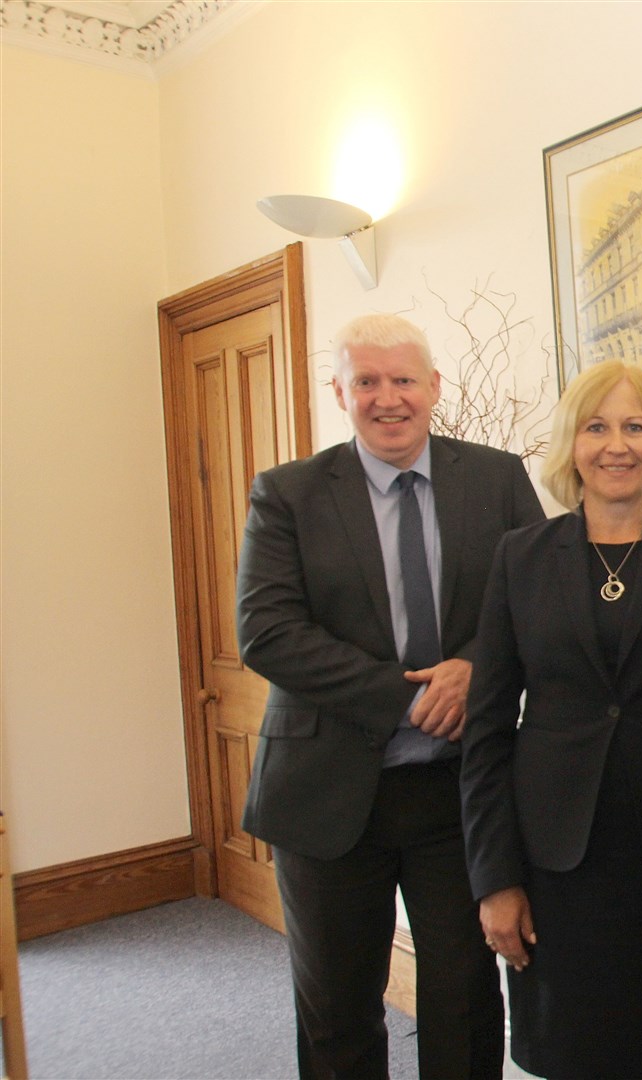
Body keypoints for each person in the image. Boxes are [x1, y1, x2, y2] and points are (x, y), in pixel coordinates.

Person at [237, 312, 543, 1079]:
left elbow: (539, 604)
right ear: (339, 390)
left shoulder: (497, 478)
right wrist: (403, 698)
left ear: (434, 387)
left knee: (467, 995)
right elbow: (266, 633)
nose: (387, 397)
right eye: (366, 381)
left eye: (403, 379)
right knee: (337, 1008)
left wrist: (475, 668)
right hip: (326, 792)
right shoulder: (289, 494)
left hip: (457, 791)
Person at [461, 360, 642, 1079]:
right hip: (555, 872)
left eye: (635, 426)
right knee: (571, 1058)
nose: (617, 445)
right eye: (597, 427)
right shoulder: (519, 559)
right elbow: (487, 730)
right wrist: (494, 878)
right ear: (571, 446)